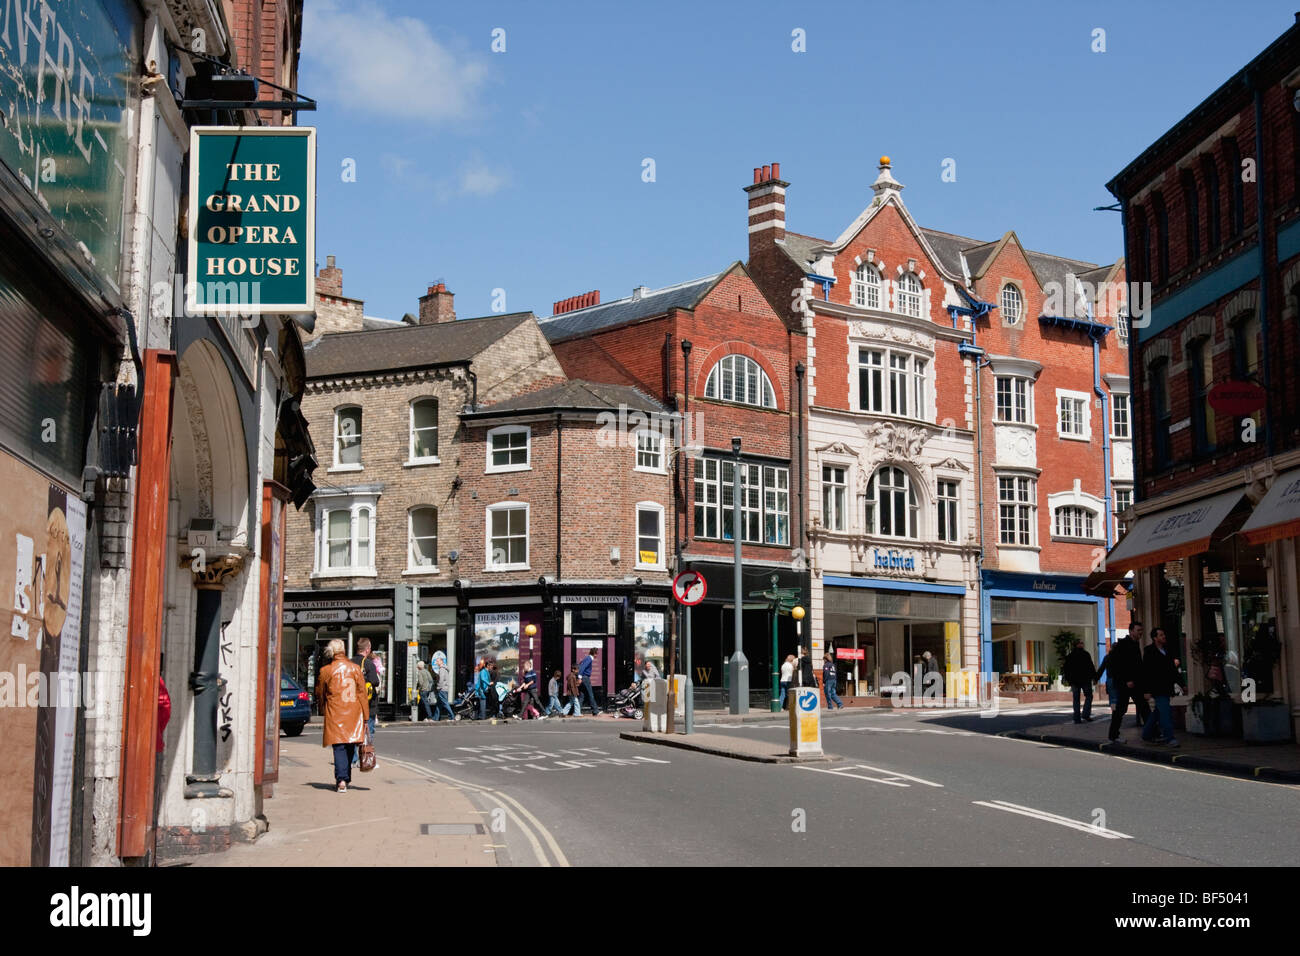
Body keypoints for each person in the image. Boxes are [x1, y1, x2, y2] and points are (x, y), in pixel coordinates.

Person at [317, 638, 368, 793]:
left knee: (338, 746)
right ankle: (345, 778)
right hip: (353, 712)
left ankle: (341, 780)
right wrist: (366, 717)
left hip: (335, 712)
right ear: (344, 650)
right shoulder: (355, 668)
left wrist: (322, 709)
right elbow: (362, 694)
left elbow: (320, 693)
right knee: (350, 745)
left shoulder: (326, 670)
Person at [1104, 626, 1147, 744]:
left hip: (1136, 683)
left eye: (1141, 630)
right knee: (1120, 710)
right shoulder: (1122, 645)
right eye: (1138, 630)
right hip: (1125, 684)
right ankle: (1113, 735)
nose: (1140, 633)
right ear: (1131, 631)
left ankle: (1151, 733)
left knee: (1144, 708)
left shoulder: (1135, 644)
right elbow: (1116, 665)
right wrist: (1126, 680)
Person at [1141, 627, 1181, 748]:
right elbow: (1146, 672)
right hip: (1157, 688)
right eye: (1161, 635)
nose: (1164, 637)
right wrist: (1146, 690)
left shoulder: (1167, 650)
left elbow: (1173, 670)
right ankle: (1170, 738)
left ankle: (1146, 734)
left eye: (1164, 635)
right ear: (1155, 638)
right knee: (1166, 713)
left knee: (1158, 713)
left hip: (1167, 686)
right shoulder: (1149, 651)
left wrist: (1182, 684)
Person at [352, 638, 381, 766]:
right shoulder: (369, 664)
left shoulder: (349, 663)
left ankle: (352, 759)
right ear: (367, 649)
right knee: (368, 731)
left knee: (353, 732)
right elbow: (375, 681)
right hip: (368, 705)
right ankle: (364, 759)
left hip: (352, 704)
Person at [1062, 639, 1096, 723]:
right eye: (1081, 643)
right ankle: (1085, 714)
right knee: (1088, 696)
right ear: (1077, 645)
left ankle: (1077, 718)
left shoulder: (1070, 656)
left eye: (1082, 643)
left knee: (1076, 699)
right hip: (1085, 680)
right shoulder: (1085, 654)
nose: (1082, 644)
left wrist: (1069, 680)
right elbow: (1091, 667)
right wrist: (1094, 677)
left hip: (1075, 681)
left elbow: (1066, 669)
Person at [430, 651, 456, 721]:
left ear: (441, 662)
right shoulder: (445, 669)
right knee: (438, 704)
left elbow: (441, 680)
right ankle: (435, 718)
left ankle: (452, 717)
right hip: (445, 688)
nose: (436, 663)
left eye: (437, 661)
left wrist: (438, 687)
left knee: (445, 703)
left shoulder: (441, 669)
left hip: (442, 689)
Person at [579, 648, 600, 716]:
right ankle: (595, 710)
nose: (597, 655)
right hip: (585, 678)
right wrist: (580, 677)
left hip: (583, 677)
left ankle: (577, 710)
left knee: (582, 695)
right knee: (590, 694)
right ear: (594, 653)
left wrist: (580, 677)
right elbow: (582, 667)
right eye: (597, 653)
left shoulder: (587, 658)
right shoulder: (589, 658)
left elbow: (581, 665)